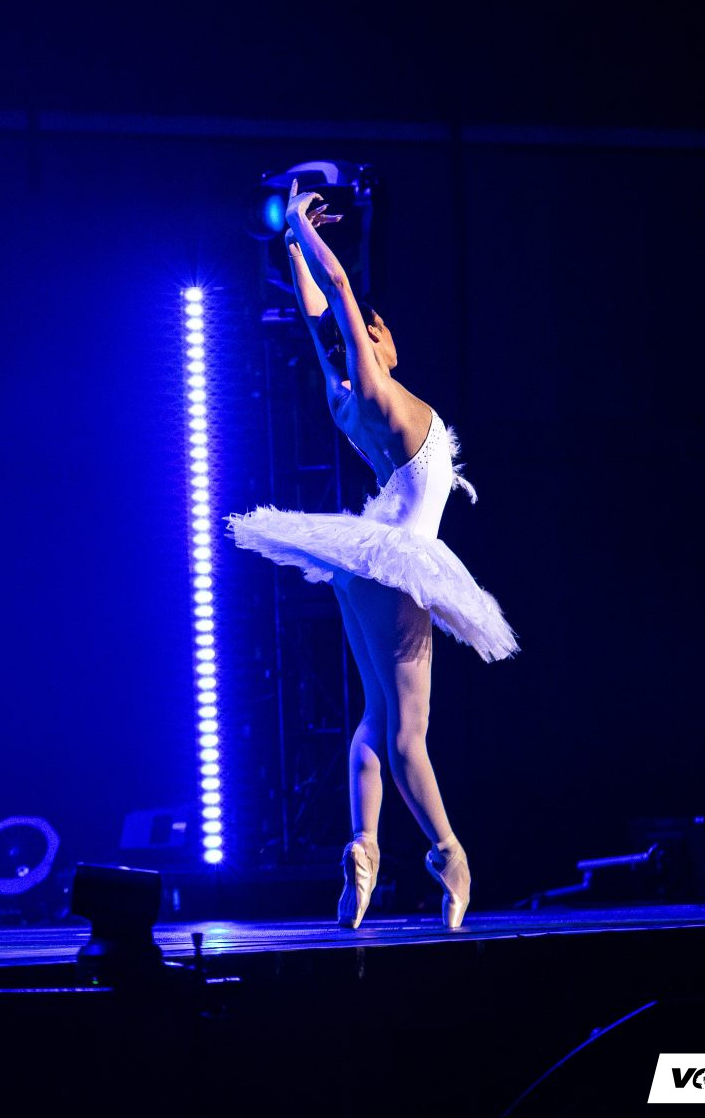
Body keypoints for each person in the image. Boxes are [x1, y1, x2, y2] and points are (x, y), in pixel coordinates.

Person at [226, 185, 516, 930]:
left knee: (375, 722)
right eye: (376, 333)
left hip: (364, 570)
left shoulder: (343, 397)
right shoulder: (380, 390)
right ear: (372, 345)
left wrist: (291, 247)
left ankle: (364, 847)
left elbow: (315, 316)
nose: (382, 336)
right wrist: (301, 228)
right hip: (400, 560)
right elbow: (339, 294)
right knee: (408, 735)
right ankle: (450, 854)